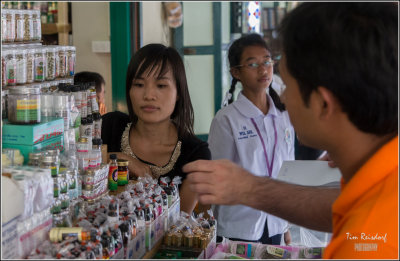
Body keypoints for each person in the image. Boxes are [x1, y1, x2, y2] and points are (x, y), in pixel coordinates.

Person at [183, 2, 398, 258]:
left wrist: (251, 190)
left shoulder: (364, 246)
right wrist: (250, 189)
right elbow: (341, 205)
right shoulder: (379, 180)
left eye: (286, 83)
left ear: (322, 103)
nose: (281, 96)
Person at [101, 44, 211, 214]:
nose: (149, 95)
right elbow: (78, 171)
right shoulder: (109, 126)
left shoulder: (195, 154)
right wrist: (120, 159)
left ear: (178, 92)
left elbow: (177, 224)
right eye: (139, 84)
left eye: (161, 85)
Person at [209, 33, 292, 245]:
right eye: (253, 64)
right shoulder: (227, 120)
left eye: (266, 61)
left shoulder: (284, 115)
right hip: (238, 226)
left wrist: (286, 226)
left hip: (276, 221)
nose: (263, 69)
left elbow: (287, 170)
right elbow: (218, 177)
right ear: (236, 72)